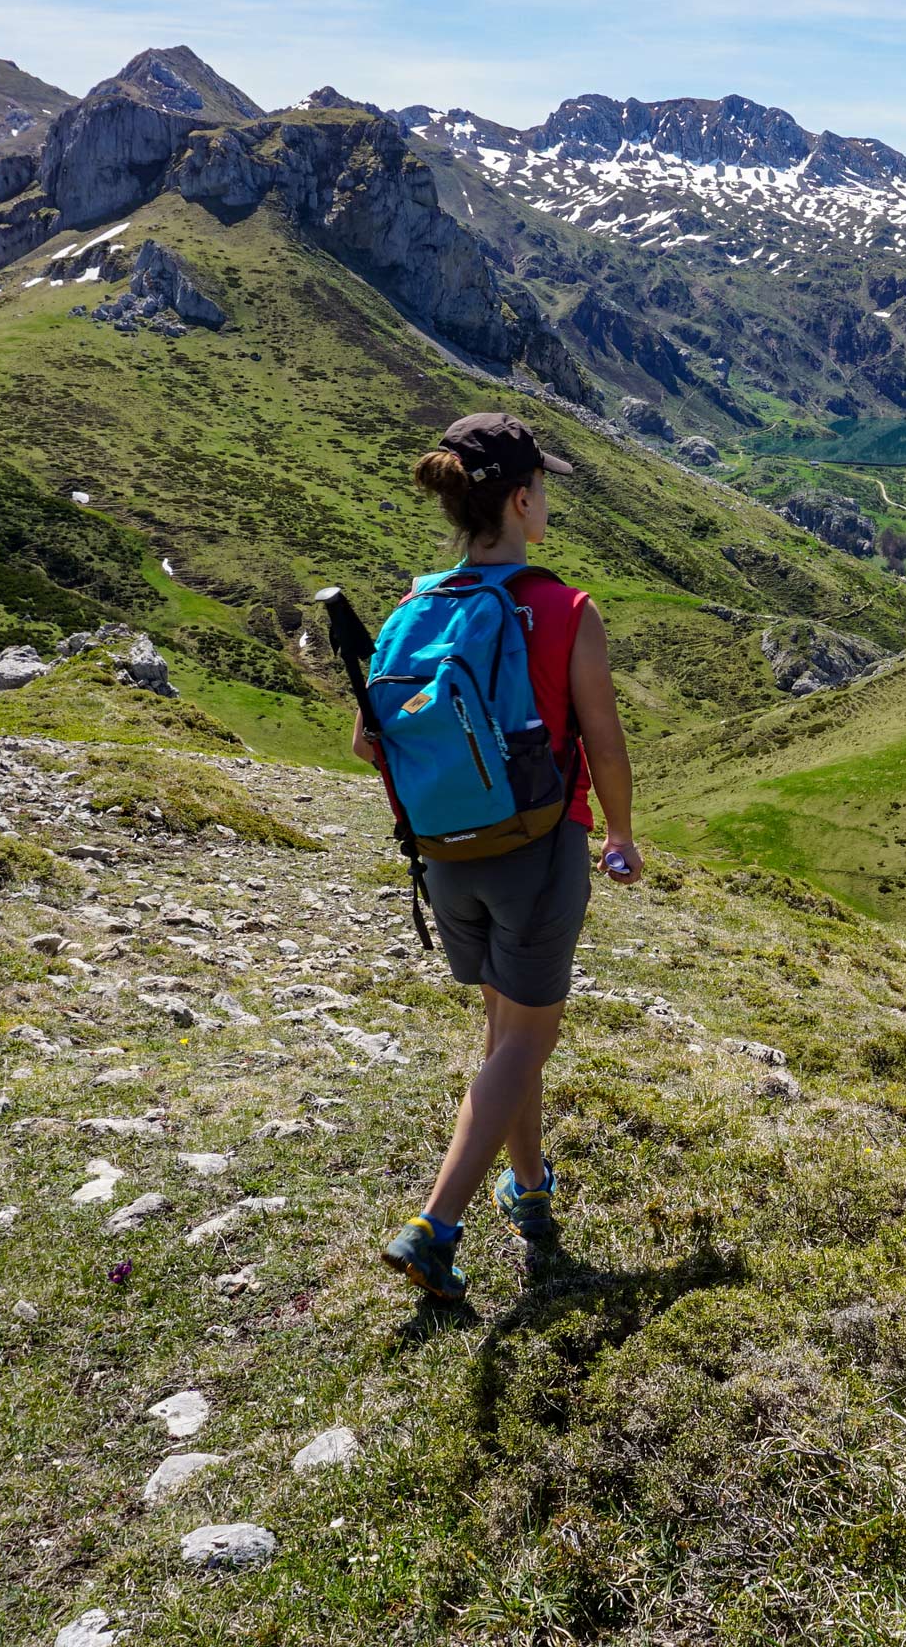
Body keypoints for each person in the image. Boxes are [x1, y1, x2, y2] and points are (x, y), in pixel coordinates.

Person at [368, 412, 642, 1301]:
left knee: (504, 1033)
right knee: (528, 1039)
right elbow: (604, 746)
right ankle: (435, 1226)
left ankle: (530, 1196)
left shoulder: (418, 609)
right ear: (522, 501)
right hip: (536, 847)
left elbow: (376, 746)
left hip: (447, 855)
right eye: (544, 487)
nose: (547, 500)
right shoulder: (565, 608)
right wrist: (620, 835)